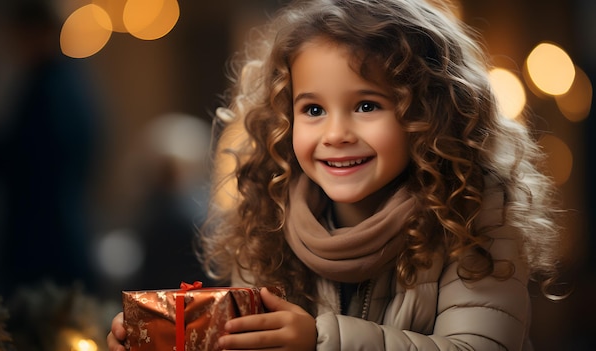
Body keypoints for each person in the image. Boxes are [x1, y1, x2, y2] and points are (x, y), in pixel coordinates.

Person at [108, 0, 565, 349]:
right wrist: (167, 335)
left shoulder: (473, 213)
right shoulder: (268, 216)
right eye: (313, 109)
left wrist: (320, 340)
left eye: (367, 106)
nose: (336, 133)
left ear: (429, 113)